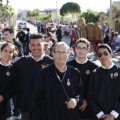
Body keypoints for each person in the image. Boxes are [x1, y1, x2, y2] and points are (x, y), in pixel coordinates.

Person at [30, 42, 83, 120]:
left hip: (70, 116)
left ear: (68, 54)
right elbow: (36, 100)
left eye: (63, 52)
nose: (61, 55)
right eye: (58, 52)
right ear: (53, 54)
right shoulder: (43, 73)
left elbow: (81, 93)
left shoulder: (75, 72)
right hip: (50, 115)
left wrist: (76, 100)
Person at [13, 33, 53, 120]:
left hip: (45, 108)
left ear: (44, 45)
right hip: (26, 108)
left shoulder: (51, 63)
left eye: (39, 44)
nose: (36, 47)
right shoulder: (22, 62)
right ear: (29, 46)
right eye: (33, 45)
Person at [87, 44, 120, 120]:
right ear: (97, 57)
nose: (103, 56)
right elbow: (89, 96)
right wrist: (100, 114)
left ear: (111, 54)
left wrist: (113, 114)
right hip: (99, 116)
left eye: (105, 53)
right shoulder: (94, 73)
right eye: (100, 54)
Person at [67, 38, 98, 120]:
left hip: (89, 108)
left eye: (84, 48)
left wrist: (87, 101)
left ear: (88, 50)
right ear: (75, 49)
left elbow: (96, 88)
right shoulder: (67, 66)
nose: (81, 50)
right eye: (79, 48)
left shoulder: (94, 68)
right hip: (70, 107)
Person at [0, 42, 16, 120]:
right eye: (5, 51)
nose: (7, 54)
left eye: (10, 52)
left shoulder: (13, 69)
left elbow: (13, 89)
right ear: (1, 51)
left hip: (3, 107)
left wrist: (3, 97)